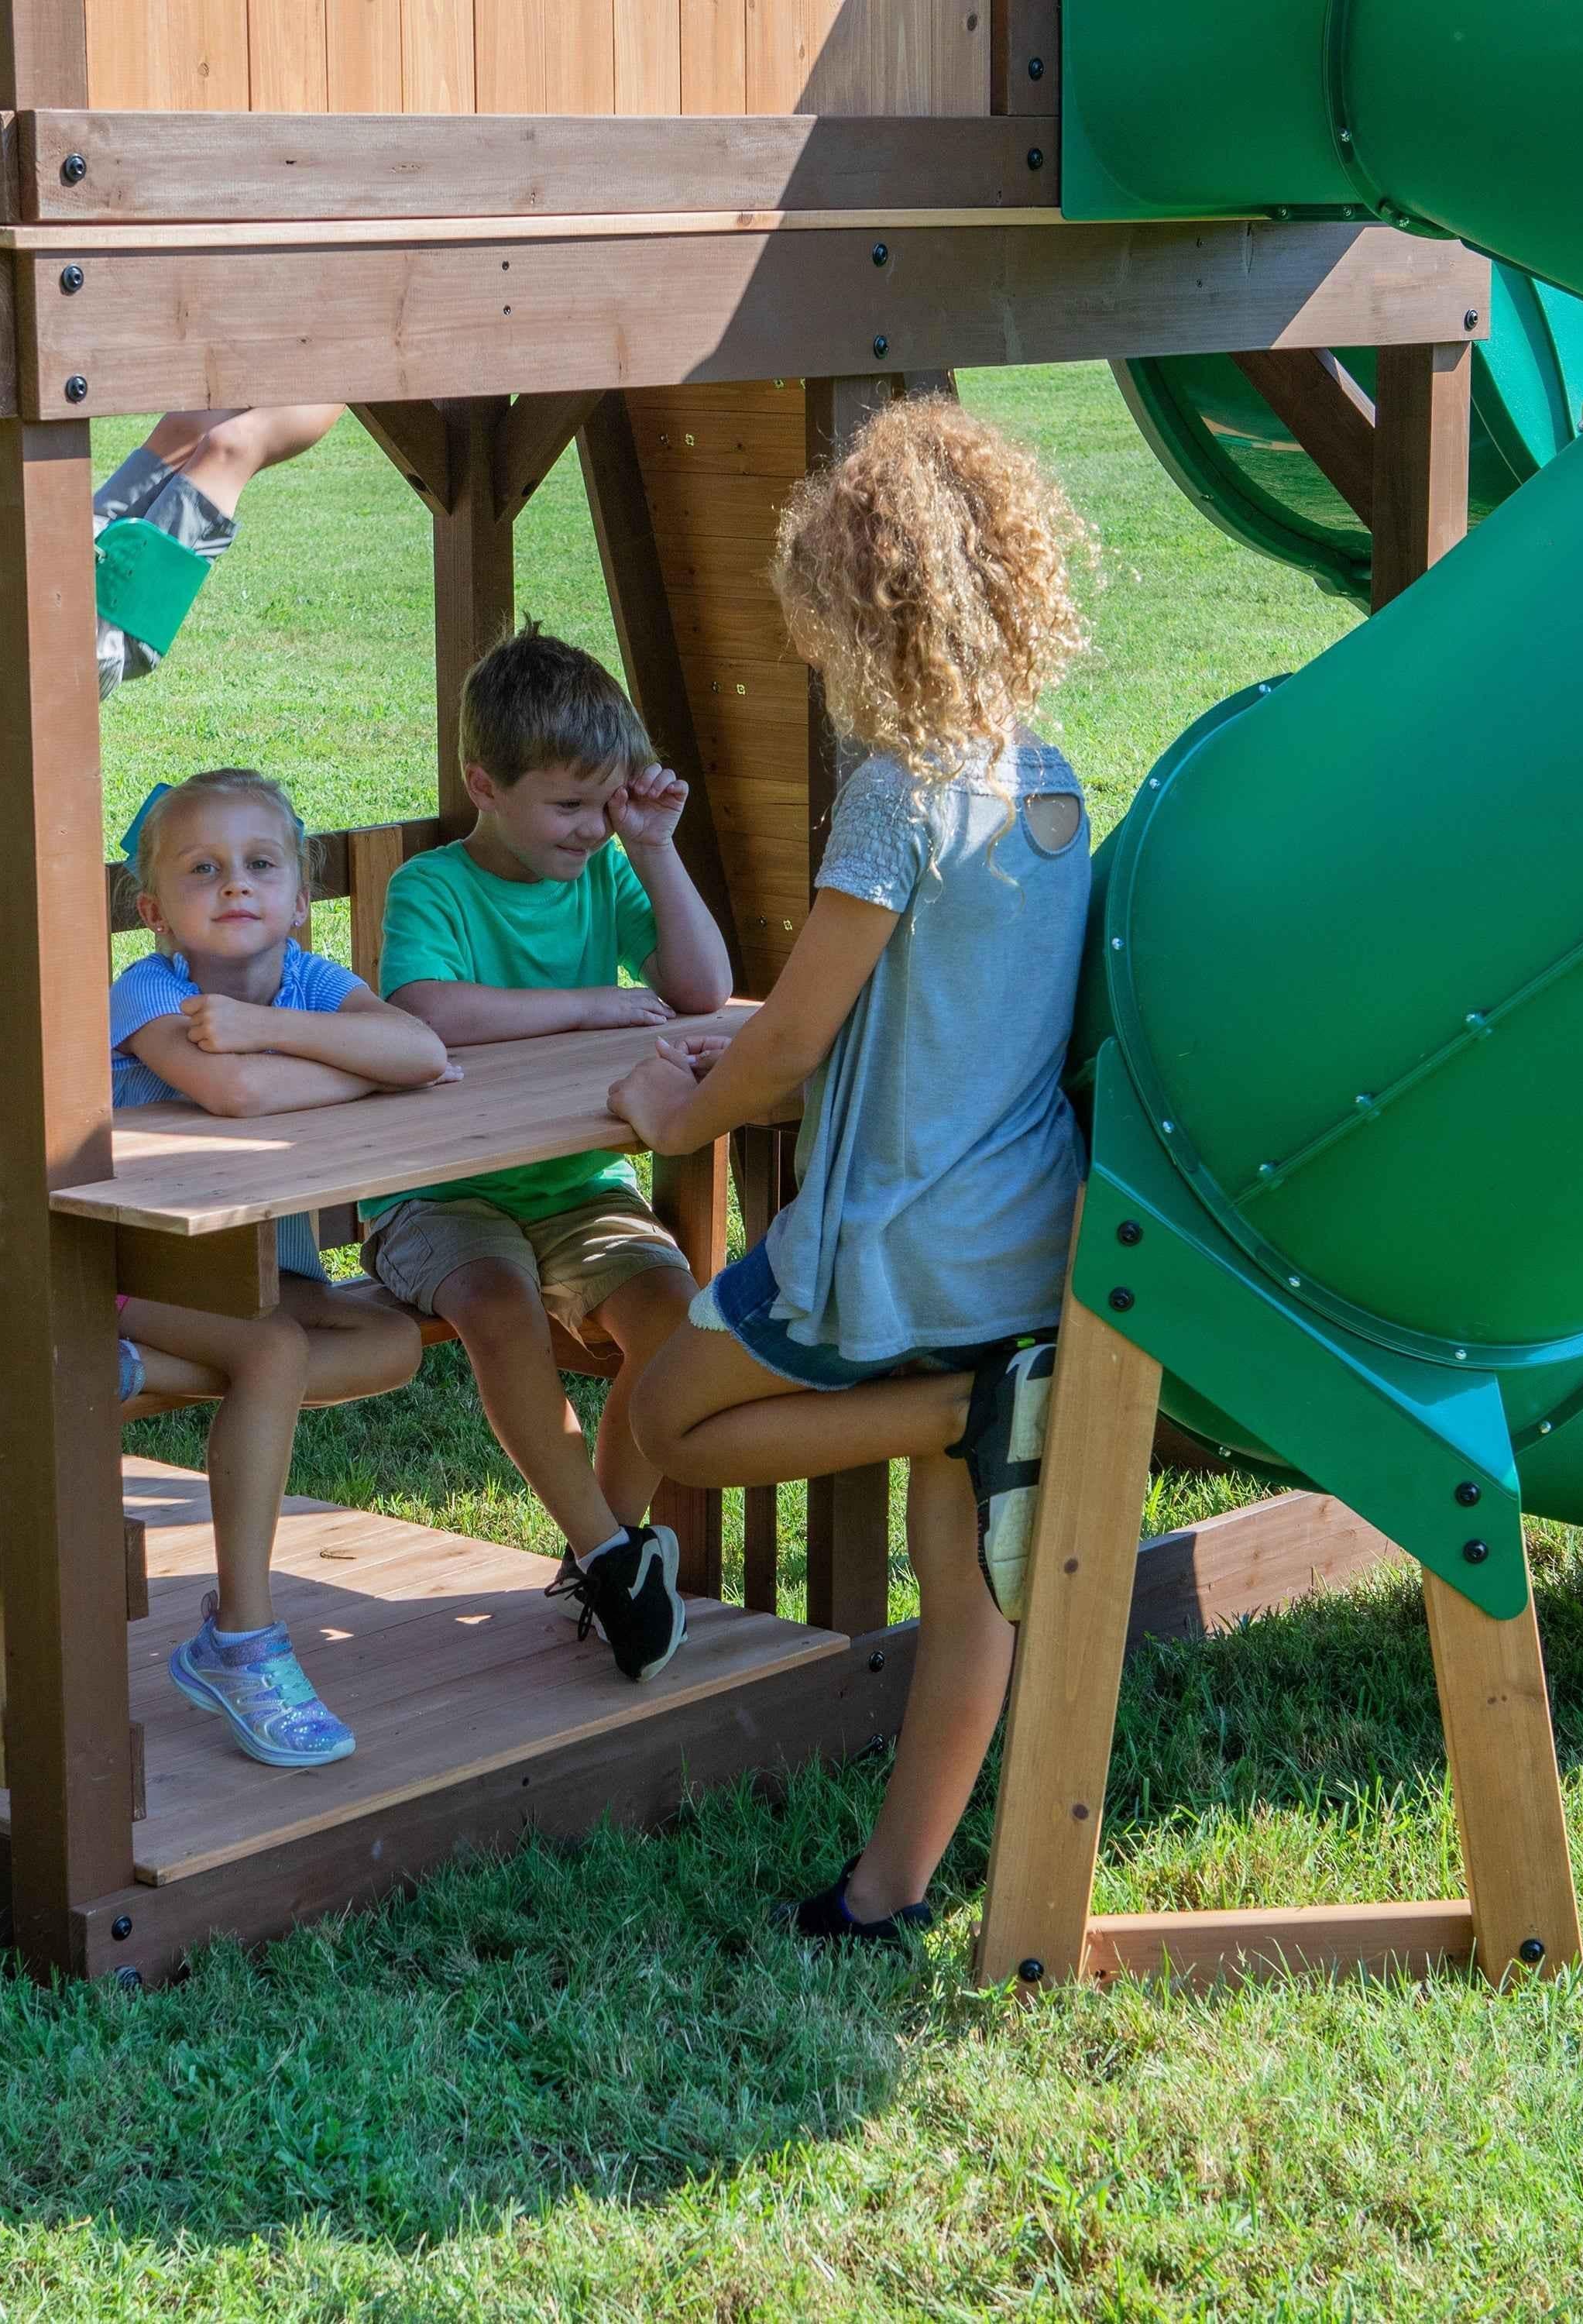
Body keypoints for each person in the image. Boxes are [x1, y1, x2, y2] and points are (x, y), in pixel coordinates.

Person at [605, 394, 1094, 1943]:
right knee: (969, 1593)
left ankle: (949, 1410)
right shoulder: (1049, 780)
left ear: (858, 612)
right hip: (1025, 1235)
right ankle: (884, 1894)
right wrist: (749, 1033)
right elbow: (929, 996)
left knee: (669, 1416)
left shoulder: (898, 788)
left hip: (895, 1241)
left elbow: (795, 1053)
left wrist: (677, 1115)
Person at [366, 623, 736, 1684]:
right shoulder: (433, 888)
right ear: (484, 783)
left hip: (578, 1186)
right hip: (442, 1194)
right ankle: (615, 1556)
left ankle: (601, 1549)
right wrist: (590, 1006)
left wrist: (655, 850)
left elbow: (704, 988)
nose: (589, 830)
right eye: (567, 807)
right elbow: (428, 1011)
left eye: (605, 804)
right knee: (494, 1301)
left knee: (674, 1316)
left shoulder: (607, 873)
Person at [112, 766, 450, 1769]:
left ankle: (135, 1370)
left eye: (260, 865)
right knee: (267, 1354)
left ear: (301, 898)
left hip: (263, 1275)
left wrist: (272, 1029)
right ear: (155, 910)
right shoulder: (148, 991)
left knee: (391, 1341)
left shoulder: (306, 981)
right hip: (133, 1273)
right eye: (203, 869)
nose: (234, 885)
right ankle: (241, 1639)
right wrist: (354, 1064)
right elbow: (239, 1094)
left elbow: (423, 1049)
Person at [0, 404, 347, 696]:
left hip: (52, 581)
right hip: (95, 633)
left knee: (189, 425)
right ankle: (356, 352)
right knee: (231, 447)